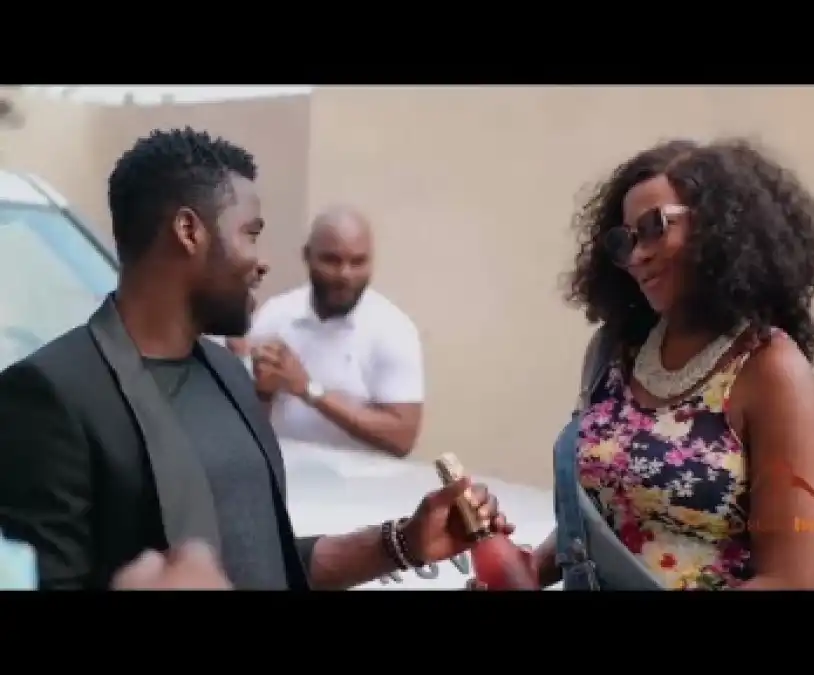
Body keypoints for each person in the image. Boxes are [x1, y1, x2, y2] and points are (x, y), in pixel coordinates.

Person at [0, 127, 509, 590]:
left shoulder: (227, 373)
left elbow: (270, 564)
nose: (262, 261)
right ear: (188, 230)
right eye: (251, 232)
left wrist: (403, 542)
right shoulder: (50, 395)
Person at [475, 138, 814, 591]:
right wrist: (531, 568)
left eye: (654, 228)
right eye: (624, 241)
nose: (637, 255)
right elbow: (609, 515)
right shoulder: (613, 353)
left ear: (719, 228)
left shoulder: (770, 369)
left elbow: (790, 581)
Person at [246, 206, 424, 458]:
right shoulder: (275, 315)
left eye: (358, 262)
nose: (345, 274)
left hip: (363, 482)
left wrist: (308, 389)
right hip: (284, 474)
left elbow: (402, 438)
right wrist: (263, 392)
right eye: (332, 260)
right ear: (307, 256)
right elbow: (247, 422)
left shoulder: (393, 329)